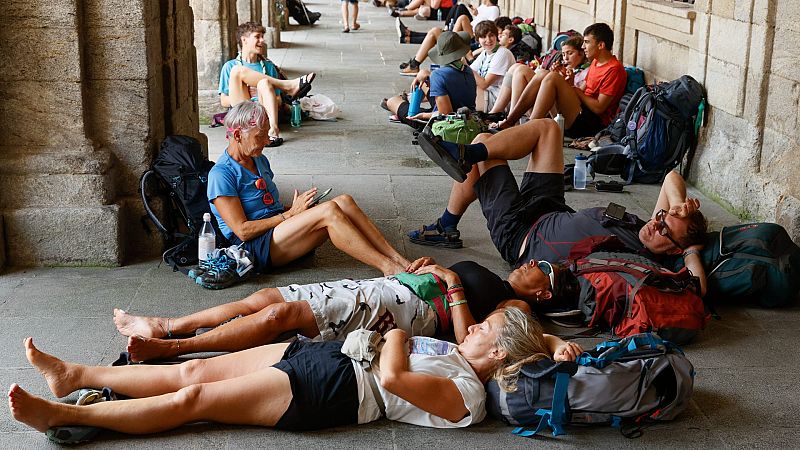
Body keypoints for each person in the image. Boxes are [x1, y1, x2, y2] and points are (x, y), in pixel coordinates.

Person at [10, 308, 584, 437]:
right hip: (326, 357)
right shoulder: (464, 354)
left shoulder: (468, 395)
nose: (472, 327)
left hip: (334, 391)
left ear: (502, 354)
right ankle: (75, 373)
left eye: (484, 328)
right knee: (197, 370)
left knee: (196, 401)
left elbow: (392, 380)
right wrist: (558, 343)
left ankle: (62, 415)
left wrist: (399, 337)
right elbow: (533, 335)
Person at [410, 119, 709, 295]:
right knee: (549, 129)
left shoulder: (646, 258)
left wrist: (691, 250)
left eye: (665, 230)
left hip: (522, 236)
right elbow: (672, 176)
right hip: (550, 207)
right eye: (661, 216)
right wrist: (679, 205)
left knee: (485, 144)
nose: (656, 223)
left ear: (673, 250)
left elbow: (698, 286)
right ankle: (465, 157)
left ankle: (447, 222)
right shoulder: (648, 226)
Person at [112, 255, 580, 361]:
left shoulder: (515, 303)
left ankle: (172, 347)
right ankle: (169, 323)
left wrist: (454, 285)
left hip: (407, 309)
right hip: (393, 287)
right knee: (268, 300)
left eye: (545, 268)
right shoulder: (502, 278)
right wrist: (429, 268)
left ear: (543, 294)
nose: (533, 262)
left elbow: (474, 341)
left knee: (282, 317)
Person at [207, 102, 411, 285]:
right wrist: (290, 214)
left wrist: (301, 209)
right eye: (260, 136)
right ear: (237, 136)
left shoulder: (258, 159)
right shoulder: (221, 174)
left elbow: (268, 207)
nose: (267, 141)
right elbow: (242, 231)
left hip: (278, 229)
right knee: (329, 211)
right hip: (253, 247)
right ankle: (389, 268)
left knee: (344, 202)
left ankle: (400, 260)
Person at [497, 23, 626, 138]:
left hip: (591, 124)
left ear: (601, 45)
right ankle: (511, 121)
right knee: (543, 73)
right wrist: (568, 83)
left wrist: (572, 89)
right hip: (578, 112)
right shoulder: (596, 62)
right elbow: (582, 91)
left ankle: (529, 129)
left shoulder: (614, 69)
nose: (583, 46)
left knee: (553, 78)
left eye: (586, 42)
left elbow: (599, 108)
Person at [218, 22, 316, 146]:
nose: (262, 40)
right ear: (244, 40)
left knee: (264, 83)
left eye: (262, 37)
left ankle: (273, 130)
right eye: (257, 37)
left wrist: (262, 94)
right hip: (243, 115)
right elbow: (224, 101)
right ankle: (288, 85)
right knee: (237, 70)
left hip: (263, 115)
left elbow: (279, 100)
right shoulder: (230, 66)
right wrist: (247, 91)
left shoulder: (268, 67)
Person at [488, 33, 589, 119]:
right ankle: (507, 115)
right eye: (563, 54)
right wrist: (556, 74)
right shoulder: (567, 69)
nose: (565, 58)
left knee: (524, 70)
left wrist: (563, 80)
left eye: (570, 53)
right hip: (546, 105)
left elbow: (575, 99)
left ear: (581, 53)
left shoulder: (585, 73)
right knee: (516, 67)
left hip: (561, 113)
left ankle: (511, 119)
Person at [383, 31, 477, 121]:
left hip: (446, 124)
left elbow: (445, 114)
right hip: (468, 116)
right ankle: (408, 100)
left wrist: (423, 115)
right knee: (423, 77)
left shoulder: (439, 75)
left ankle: (406, 102)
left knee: (392, 101)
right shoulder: (468, 70)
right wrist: (426, 74)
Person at [398, 0, 501, 76]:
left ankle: (414, 64)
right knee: (437, 29)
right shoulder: (483, 6)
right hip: (474, 31)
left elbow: (489, 28)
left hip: (477, 37)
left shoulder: (494, 9)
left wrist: (473, 52)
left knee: (459, 18)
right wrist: (475, 14)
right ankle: (414, 62)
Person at [468, 21, 515, 112]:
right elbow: (470, 72)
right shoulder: (485, 52)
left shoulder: (502, 53)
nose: (488, 40)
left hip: (498, 101)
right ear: (478, 39)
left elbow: (484, 84)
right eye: (483, 37)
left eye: (491, 35)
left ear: (496, 36)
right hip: (487, 95)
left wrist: (465, 66)